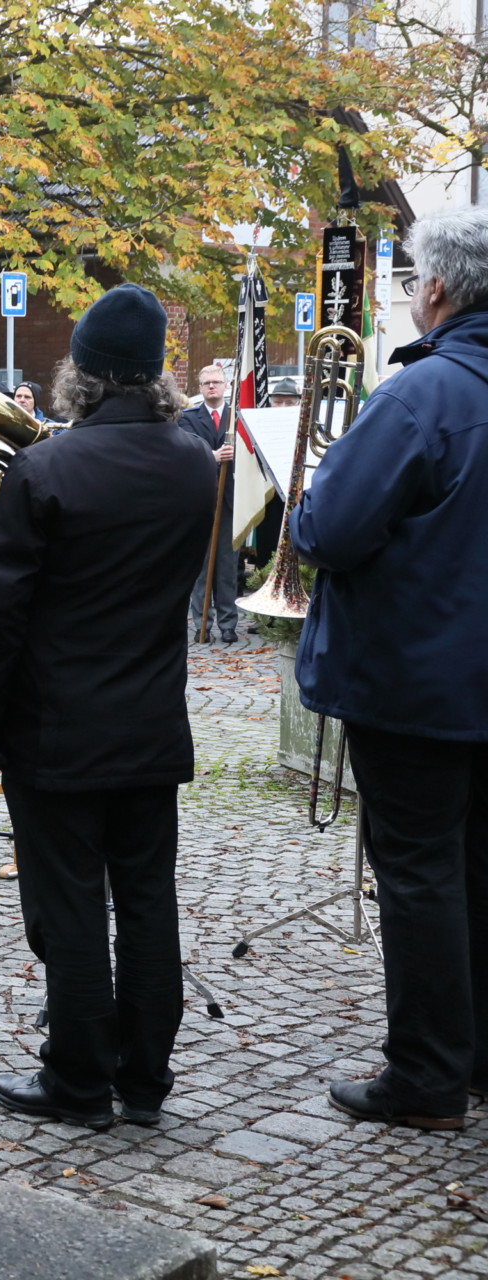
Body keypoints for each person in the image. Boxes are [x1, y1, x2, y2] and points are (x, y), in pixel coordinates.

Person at [0, 283, 215, 1131]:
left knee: (69, 910)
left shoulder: (44, 468)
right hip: (150, 723)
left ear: (85, 375)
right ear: (154, 377)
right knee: (147, 903)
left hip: (58, 732)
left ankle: (77, 1082)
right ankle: (144, 1083)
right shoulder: (190, 459)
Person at [290, 205, 488, 1131]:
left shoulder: (422, 395)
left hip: (419, 685)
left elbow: (329, 530)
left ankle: (426, 1076)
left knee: (417, 875)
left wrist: (308, 500)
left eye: (411, 279)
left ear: (439, 289)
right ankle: (476, 1059)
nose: (410, 293)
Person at [178, 363, 239, 642]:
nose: (212, 386)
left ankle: (228, 624)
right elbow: (187, 450)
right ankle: (202, 624)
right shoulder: (188, 418)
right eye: (206, 383)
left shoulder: (238, 417)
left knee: (227, 565)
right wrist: (212, 457)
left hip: (230, 498)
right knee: (201, 566)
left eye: (216, 382)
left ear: (225, 386)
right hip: (200, 499)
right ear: (200, 388)